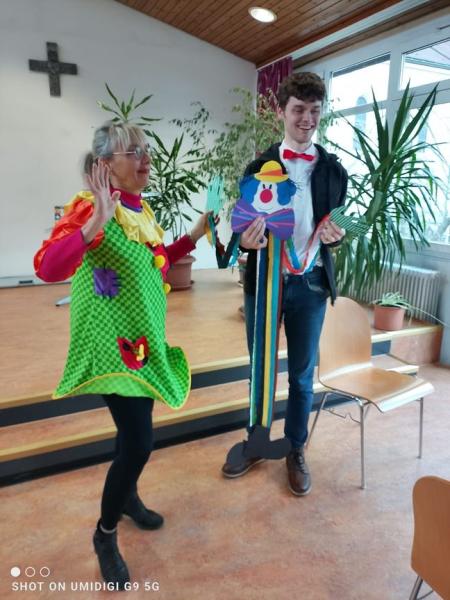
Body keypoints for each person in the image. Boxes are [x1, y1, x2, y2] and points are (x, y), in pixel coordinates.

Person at [34, 121, 211, 589]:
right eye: (133, 151)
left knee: (131, 436)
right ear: (104, 165)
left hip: (142, 344)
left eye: (145, 149)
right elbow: (48, 268)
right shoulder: (89, 207)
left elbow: (157, 262)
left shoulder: (141, 209)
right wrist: (96, 221)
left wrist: (194, 235)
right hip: (110, 347)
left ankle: (128, 497)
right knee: (139, 442)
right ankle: (105, 533)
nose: (145, 158)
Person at [221, 72, 348, 496]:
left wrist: (337, 235)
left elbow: (335, 225)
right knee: (260, 367)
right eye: (298, 110)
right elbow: (240, 228)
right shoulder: (257, 168)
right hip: (264, 282)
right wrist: (244, 241)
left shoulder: (334, 170)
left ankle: (295, 448)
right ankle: (256, 440)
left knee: (301, 376)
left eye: (314, 111)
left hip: (309, 285)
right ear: (282, 112)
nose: (307, 119)